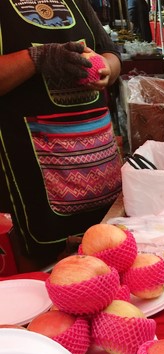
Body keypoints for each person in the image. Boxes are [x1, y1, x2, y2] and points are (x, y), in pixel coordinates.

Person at [0, 1, 122, 270]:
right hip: (33, 166)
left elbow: (111, 53)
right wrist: (37, 58)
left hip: (100, 164)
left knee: (111, 251)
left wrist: (107, 68)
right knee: (54, 272)